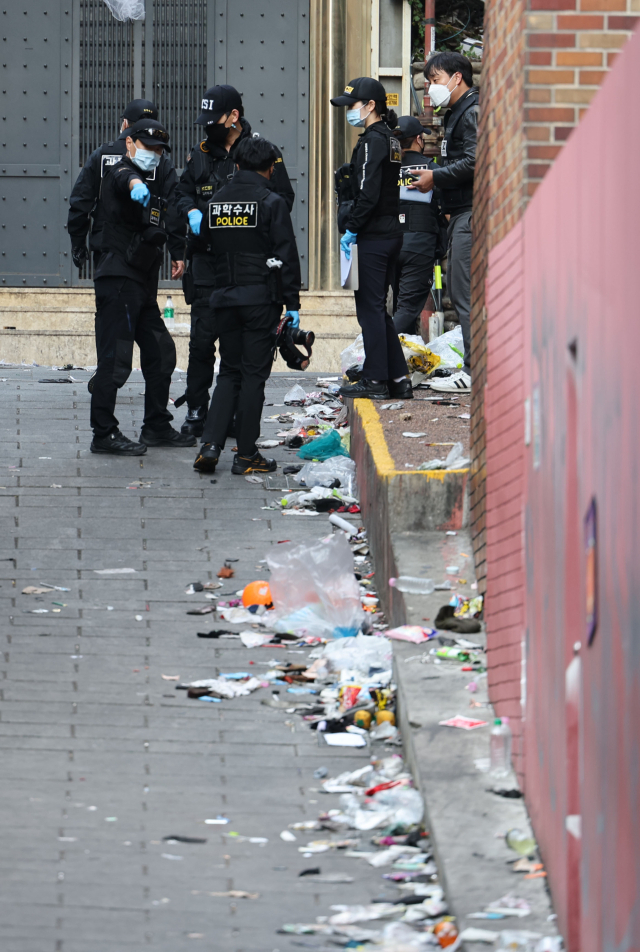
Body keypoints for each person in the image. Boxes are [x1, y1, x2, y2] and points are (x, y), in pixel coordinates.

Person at [175, 85, 295, 438]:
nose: (208, 127)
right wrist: (194, 211)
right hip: (208, 266)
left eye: (215, 120)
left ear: (234, 117)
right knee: (201, 342)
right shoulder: (199, 155)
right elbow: (180, 195)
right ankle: (198, 411)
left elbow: (283, 198)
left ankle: (235, 416)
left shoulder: (261, 151)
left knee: (243, 351)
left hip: (250, 265)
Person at [192, 136, 301, 476]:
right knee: (253, 375)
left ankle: (210, 444)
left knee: (229, 370)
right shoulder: (271, 202)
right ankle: (247, 453)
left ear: (236, 165)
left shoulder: (216, 202)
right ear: (270, 169)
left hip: (223, 298)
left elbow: (202, 246)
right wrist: (292, 302)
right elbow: (285, 254)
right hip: (259, 300)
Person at [89, 119, 193, 456]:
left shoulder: (160, 180)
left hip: (140, 283)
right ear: (131, 142)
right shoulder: (120, 169)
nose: (155, 154)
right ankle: (103, 433)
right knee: (115, 360)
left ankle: (156, 425)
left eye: (160, 150)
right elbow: (123, 177)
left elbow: (174, 207)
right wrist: (135, 182)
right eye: (149, 147)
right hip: (118, 279)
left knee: (161, 352)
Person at [330, 77, 410, 401]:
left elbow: (368, 192)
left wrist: (352, 229)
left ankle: (376, 380)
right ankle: (398, 378)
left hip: (373, 235)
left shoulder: (373, 141)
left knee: (370, 310)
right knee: (379, 309)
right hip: (390, 233)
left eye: (352, 105)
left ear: (370, 106)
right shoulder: (390, 139)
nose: (350, 111)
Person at [410, 52, 478, 392]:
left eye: (434, 80)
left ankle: (474, 372)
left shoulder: (471, 112)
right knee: (462, 290)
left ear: (456, 78)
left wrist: (434, 177)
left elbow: (474, 161)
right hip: (461, 214)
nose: (430, 88)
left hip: (471, 213)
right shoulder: (457, 113)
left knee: (464, 293)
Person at [67, 99, 183, 270]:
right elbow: (173, 209)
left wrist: (78, 244)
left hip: (107, 249)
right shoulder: (161, 160)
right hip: (146, 249)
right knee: (142, 296)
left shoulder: (101, 154)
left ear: (125, 123)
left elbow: (80, 202)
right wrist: (177, 252)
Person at [393, 115, 444, 336]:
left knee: (399, 304)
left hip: (390, 244)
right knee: (407, 308)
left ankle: (400, 362)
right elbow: (445, 207)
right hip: (419, 246)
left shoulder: (387, 169)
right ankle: (375, 354)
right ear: (418, 139)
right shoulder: (432, 170)